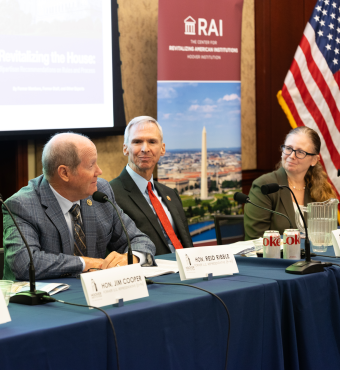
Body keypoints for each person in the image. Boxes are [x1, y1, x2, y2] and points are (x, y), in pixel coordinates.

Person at [3, 133, 156, 280]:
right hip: (42, 302)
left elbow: (140, 239)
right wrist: (85, 263)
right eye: (91, 165)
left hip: (98, 294)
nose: (99, 171)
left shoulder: (100, 192)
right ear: (64, 173)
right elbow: (25, 263)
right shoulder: (22, 205)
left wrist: (132, 257)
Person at [109, 116, 193, 255]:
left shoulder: (170, 193)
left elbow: (186, 242)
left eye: (152, 142)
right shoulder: (111, 195)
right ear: (125, 148)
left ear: (162, 149)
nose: (145, 148)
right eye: (137, 141)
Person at [244, 126, 336, 240]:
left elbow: (330, 234)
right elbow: (255, 240)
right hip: (275, 257)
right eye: (288, 148)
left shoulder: (320, 189)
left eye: (300, 152)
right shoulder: (264, 186)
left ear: (314, 160)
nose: (292, 156)